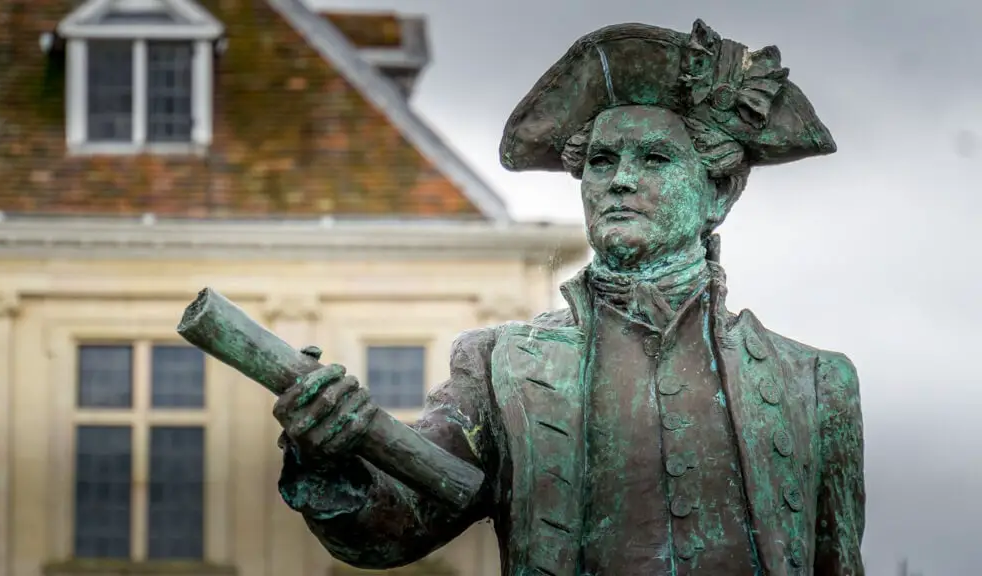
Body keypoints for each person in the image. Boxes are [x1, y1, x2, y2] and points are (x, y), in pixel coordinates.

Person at [272, 19, 865, 576]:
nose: (620, 180)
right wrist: (327, 459)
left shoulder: (814, 385)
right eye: (602, 161)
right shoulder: (498, 367)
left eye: (654, 159)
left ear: (719, 194)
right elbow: (394, 524)